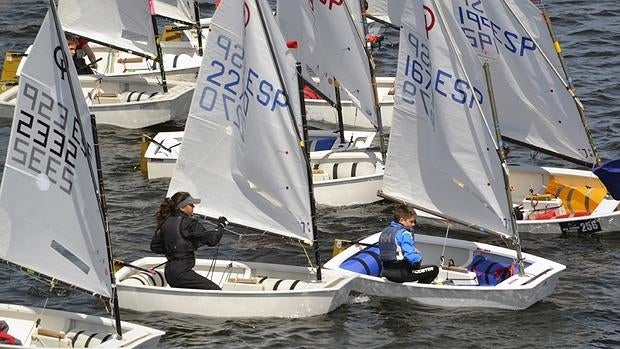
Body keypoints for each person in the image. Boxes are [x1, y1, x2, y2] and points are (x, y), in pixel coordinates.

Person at [150, 191, 227, 290]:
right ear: (182, 207)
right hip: (182, 273)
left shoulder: (165, 222)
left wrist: (176, 248)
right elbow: (212, 240)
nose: (193, 206)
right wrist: (221, 226)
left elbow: (155, 247)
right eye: (191, 204)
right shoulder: (190, 223)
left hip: (169, 273)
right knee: (216, 291)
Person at [378, 204, 439, 284]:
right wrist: (418, 256)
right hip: (401, 274)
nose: (413, 224)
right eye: (411, 221)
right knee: (434, 269)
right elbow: (412, 258)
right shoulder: (404, 234)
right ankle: (419, 290)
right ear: (402, 220)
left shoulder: (385, 231)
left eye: (414, 222)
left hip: (386, 272)